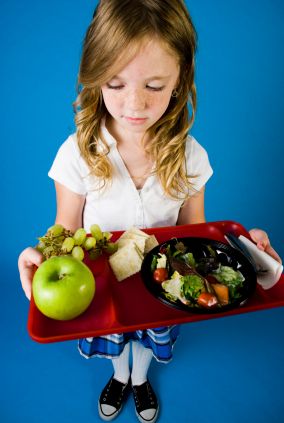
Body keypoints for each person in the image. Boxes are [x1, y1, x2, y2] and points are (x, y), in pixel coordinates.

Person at [18, 1, 282, 422]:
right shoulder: (77, 155)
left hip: (163, 288)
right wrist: (37, 258)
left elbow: (199, 234)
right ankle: (119, 376)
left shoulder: (192, 157)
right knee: (116, 345)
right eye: (115, 84)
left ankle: (139, 380)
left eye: (154, 86)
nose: (134, 105)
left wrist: (248, 252)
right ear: (95, 76)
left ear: (180, 80)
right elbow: (65, 231)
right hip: (101, 291)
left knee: (148, 342)